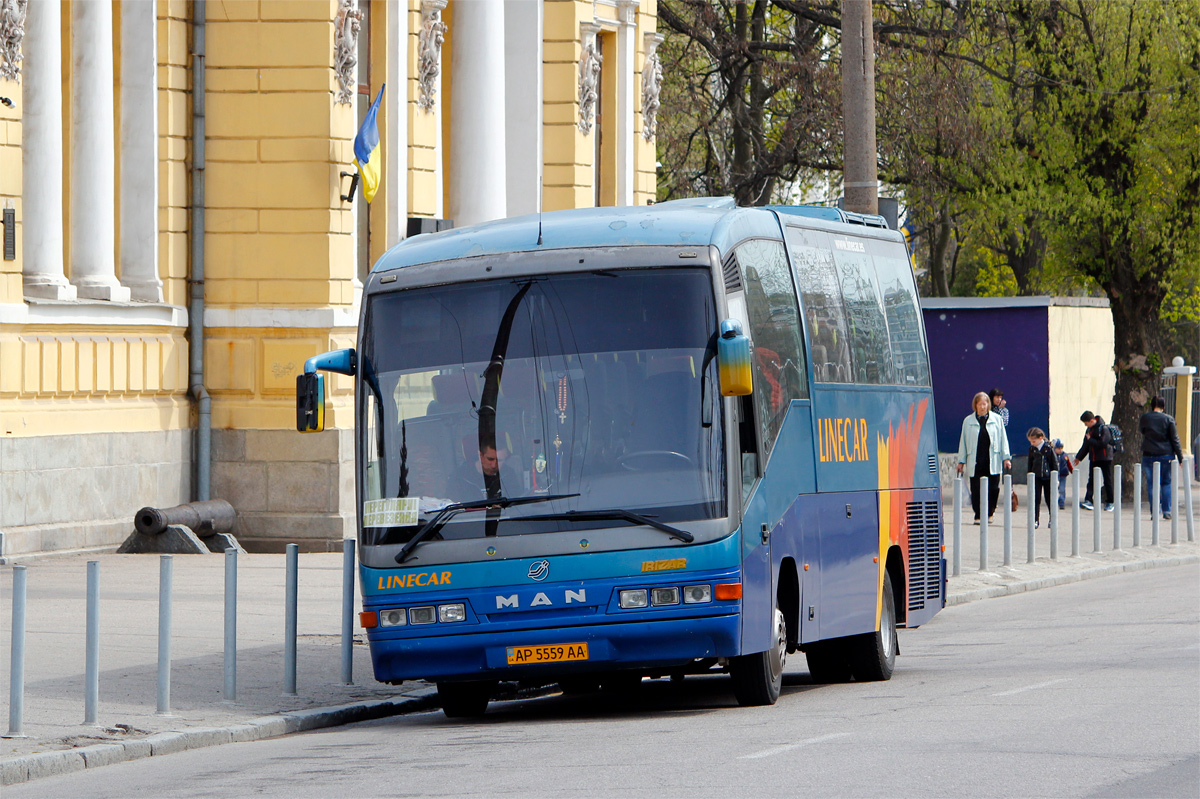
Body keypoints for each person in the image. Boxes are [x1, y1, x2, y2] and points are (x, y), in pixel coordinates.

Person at [957, 391, 1012, 524]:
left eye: (985, 403)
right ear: (975, 405)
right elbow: (963, 442)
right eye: (980, 404)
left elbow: (1003, 439)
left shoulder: (996, 419)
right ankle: (978, 514)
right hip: (975, 460)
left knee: (993, 488)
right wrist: (961, 461)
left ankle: (990, 512)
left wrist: (1006, 457)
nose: (982, 406)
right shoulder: (968, 421)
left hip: (992, 459)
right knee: (976, 489)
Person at [1139, 396, 1183, 520]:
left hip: (1148, 454)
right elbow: (1175, 439)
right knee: (1166, 482)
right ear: (1163, 406)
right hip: (1165, 454)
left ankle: (1154, 512)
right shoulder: (1169, 419)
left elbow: (1142, 431)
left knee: (1152, 484)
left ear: (1152, 405)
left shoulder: (1145, 418)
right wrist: (1180, 457)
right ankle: (1167, 511)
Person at [1072, 410, 1114, 511]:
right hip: (1094, 458)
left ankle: (1110, 501)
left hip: (1105, 458)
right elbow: (1086, 446)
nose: (1086, 425)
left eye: (1086, 423)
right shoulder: (1089, 431)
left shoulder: (1103, 428)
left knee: (1107, 479)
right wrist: (1079, 457)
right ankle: (1089, 500)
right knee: (1091, 480)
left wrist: (1090, 439)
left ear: (1091, 420)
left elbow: (1103, 443)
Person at [451, 441, 521, 500]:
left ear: (505, 458)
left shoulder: (508, 475)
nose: (494, 465)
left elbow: (515, 504)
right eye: (490, 459)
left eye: (499, 460)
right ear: (480, 455)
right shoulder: (460, 477)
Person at [1026, 428, 1056, 528]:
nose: (1032, 443)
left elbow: (1054, 464)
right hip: (1036, 477)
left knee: (1049, 499)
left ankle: (1052, 519)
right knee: (1035, 499)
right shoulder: (1032, 449)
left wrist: (1055, 478)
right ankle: (1035, 520)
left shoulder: (1048, 448)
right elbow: (1030, 463)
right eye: (1030, 441)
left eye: (1033, 441)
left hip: (1047, 477)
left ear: (1040, 438)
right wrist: (1029, 475)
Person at [1053, 439, 1072, 510]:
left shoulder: (1065, 456)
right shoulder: (1053, 456)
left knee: (1062, 489)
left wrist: (1072, 471)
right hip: (1055, 475)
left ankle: (1061, 503)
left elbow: (1068, 464)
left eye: (1061, 448)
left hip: (1063, 475)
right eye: (1058, 448)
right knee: (1055, 489)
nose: (1060, 450)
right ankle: (1054, 502)